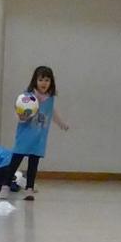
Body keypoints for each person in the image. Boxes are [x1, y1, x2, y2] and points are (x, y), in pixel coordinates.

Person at [10, 64, 72, 200]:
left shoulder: (50, 97)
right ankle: (5, 185)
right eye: (41, 80)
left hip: (39, 136)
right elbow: (19, 110)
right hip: (25, 134)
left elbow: (52, 112)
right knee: (16, 160)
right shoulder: (28, 96)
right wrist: (21, 117)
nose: (44, 83)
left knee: (34, 162)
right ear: (35, 81)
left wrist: (61, 123)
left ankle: (29, 189)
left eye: (47, 80)